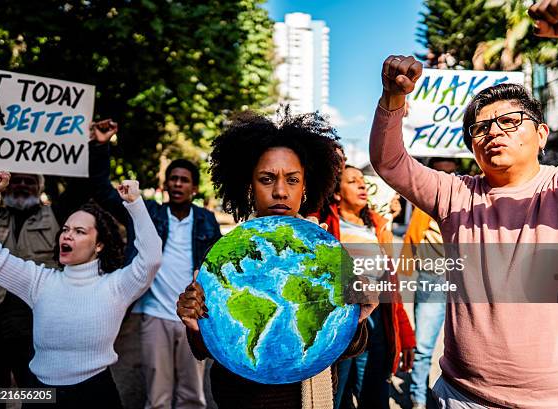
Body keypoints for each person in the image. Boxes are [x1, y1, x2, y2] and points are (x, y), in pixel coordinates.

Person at [369, 53, 558, 408]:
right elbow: (390, 162)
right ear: (472, 146)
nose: (494, 132)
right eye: (481, 128)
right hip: (463, 397)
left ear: (541, 134)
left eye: (509, 120)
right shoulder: (454, 194)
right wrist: (393, 99)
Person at [177, 108, 377, 409]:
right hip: (241, 400)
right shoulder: (225, 257)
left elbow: (343, 346)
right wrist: (194, 325)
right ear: (249, 186)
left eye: (292, 180)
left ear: (306, 186)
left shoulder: (327, 252)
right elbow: (207, 348)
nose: (280, 191)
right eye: (267, 179)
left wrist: (358, 318)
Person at [0, 171, 162, 408]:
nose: (67, 235)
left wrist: (135, 204)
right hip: (41, 394)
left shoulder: (116, 286)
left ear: (99, 245)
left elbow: (151, 259)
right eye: (66, 229)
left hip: (93, 394)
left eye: (79, 231)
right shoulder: (39, 281)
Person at [87, 120, 222, 409]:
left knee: (192, 397)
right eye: (173, 178)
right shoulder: (147, 213)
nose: (177, 184)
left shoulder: (207, 220)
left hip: (192, 316)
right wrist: (100, 145)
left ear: (194, 188)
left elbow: (217, 266)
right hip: (154, 314)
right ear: (165, 184)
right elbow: (102, 191)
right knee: (157, 399)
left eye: (184, 179)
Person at [0, 172, 91, 404]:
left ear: (39, 187)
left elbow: (80, 187)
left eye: (29, 181)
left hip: (34, 326)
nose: (21, 185)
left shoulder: (58, 217)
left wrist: (94, 146)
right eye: (16, 180)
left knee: (38, 395)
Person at [324, 165, 415, 409]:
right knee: (335, 397)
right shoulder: (324, 226)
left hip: (375, 332)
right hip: (340, 332)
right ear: (336, 193)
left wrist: (406, 336)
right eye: (353, 181)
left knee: (374, 397)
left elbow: (391, 290)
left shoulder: (377, 226)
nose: (362, 186)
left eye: (363, 181)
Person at [399, 158, 457, 409]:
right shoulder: (423, 206)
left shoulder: (467, 203)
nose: (445, 177)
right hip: (432, 279)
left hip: (464, 280)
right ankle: (418, 398)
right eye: (439, 172)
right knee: (423, 347)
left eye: (450, 172)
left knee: (467, 349)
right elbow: (411, 238)